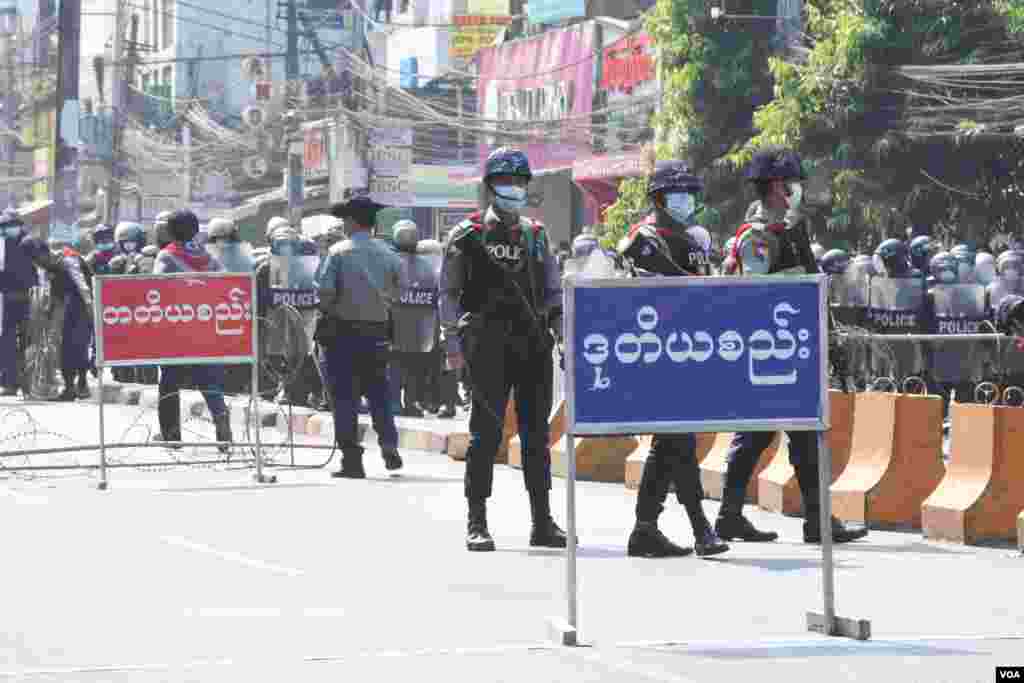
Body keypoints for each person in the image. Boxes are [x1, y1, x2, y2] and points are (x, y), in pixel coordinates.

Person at [722, 146, 868, 545]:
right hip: (771, 351)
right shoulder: (758, 236)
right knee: (766, 434)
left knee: (792, 434)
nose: (798, 190)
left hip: (795, 349)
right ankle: (801, 521)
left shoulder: (790, 229)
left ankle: (807, 520)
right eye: (792, 184)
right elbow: (756, 292)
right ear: (775, 187)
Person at [440, 147, 566, 552]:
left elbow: (552, 292)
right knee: (485, 435)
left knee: (536, 436)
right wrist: (453, 344)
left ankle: (542, 521)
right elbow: (448, 293)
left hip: (532, 345)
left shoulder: (536, 235)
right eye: (504, 182)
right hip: (486, 344)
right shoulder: (467, 234)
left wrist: (562, 336)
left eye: (518, 182)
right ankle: (477, 521)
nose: (512, 189)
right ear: (490, 187)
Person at [615, 160, 730, 558]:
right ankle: (701, 528)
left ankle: (645, 528)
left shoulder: (696, 238)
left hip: (691, 349)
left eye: (689, 194)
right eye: (677, 194)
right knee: (678, 440)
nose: (686, 201)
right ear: (660, 198)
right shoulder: (644, 237)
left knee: (670, 442)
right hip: (658, 350)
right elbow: (655, 292)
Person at [315, 191, 403, 478]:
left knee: (344, 399)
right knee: (379, 393)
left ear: (352, 222)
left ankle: (352, 460)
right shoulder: (390, 256)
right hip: (378, 334)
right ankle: (389, 444)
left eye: (344, 220)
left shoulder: (338, 253)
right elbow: (397, 295)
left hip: (342, 334)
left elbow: (325, 295)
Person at [152, 210, 233, 453]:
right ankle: (221, 417)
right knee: (207, 377)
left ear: (169, 231)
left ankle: (172, 434)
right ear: (196, 231)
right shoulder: (207, 257)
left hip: (176, 328)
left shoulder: (166, 256)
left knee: (169, 381)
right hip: (205, 327)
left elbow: (155, 289)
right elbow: (223, 284)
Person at [32, 237, 94, 401]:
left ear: (44, 253)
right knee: (67, 348)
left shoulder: (68, 259)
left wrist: (89, 306)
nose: (38, 264)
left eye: (38, 259)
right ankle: (72, 387)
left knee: (77, 346)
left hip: (79, 307)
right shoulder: (50, 265)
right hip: (66, 308)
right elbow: (50, 288)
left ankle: (79, 385)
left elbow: (82, 285)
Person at [0, 211, 37, 398]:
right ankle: (9, 383)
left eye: (12, 225)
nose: (9, 229)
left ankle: (29, 384)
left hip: (27, 300)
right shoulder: (2, 244)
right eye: (6, 226)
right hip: (6, 301)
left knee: (28, 342)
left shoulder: (30, 243)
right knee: (6, 343)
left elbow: (40, 270)